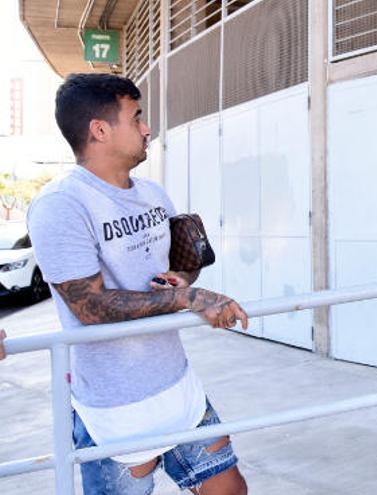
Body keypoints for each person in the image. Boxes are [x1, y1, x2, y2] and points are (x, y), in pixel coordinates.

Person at [28, 73, 249, 495]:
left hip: (179, 387)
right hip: (116, 409)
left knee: (230, 490)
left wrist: (182, 278)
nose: (148, 129)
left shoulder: (152, 192)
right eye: (137, 117)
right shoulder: (61, 206)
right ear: (100, 130)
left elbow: (177, 271)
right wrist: (188, 297)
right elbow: (89, 307)